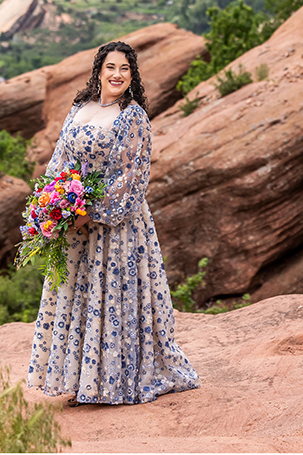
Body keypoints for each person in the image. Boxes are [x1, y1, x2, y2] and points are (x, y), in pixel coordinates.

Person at [27, 40, 200, 406]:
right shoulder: (80, 106)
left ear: (132, 75)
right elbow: (61, 158)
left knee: (112, 297)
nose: (118, 74)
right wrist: (52, 206)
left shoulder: (133, 116)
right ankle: (81, 380)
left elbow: (132, 176)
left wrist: (90, 213)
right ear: (99, 71)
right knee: (80, 296)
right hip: (76, 225)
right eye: (111, 67)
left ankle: (114, 380)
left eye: (125, 69)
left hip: (116, 226)